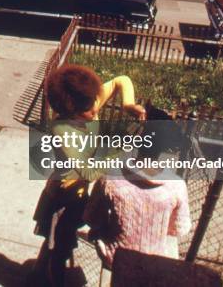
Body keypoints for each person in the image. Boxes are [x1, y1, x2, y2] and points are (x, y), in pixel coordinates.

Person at [32, 64, 146, 287]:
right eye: (89, 109)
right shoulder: (62, 130)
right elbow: (89, 173)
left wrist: (128, 104)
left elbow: (121, 78)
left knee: (55, 244)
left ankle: (37, 275)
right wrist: (123, 146)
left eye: (95, 102)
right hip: (62, 199)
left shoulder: (88, 100)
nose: (96, 109)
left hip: (79, 194)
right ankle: (52, 280)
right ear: (70, 111)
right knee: (59, 252)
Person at [83, 125, 191, 287]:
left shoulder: (110, 177)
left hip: (116, 259)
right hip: (155, 262)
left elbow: (91, 218)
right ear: (166, 150)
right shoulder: (176, 185)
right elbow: (179, 229)